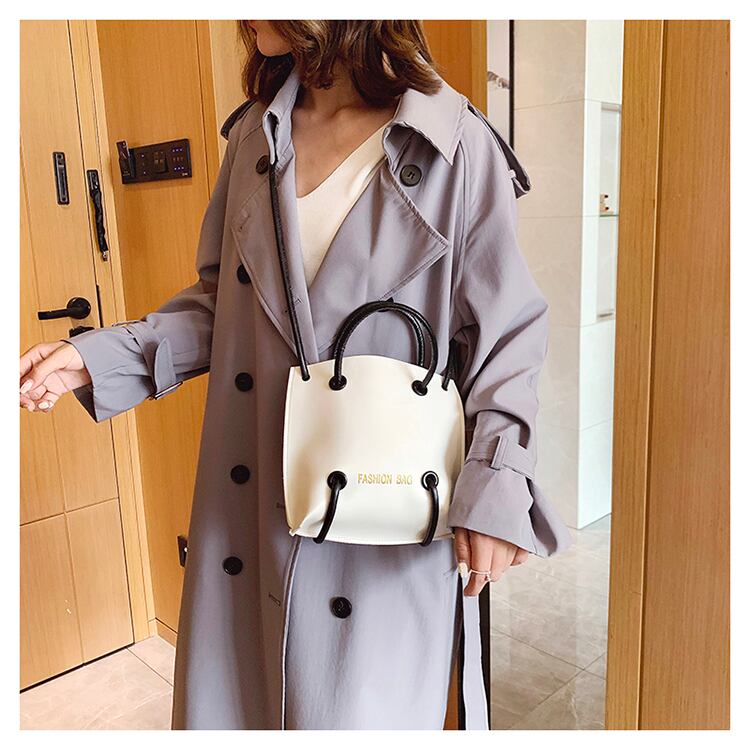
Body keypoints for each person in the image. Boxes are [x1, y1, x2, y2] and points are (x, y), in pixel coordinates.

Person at [19, 20, 571, 730]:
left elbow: (507, 333)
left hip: (381, 520)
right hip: (248, 511)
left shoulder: (452, 143)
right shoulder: (256, 135)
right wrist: (98, 356)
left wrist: (497, 484)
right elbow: (225, 304)